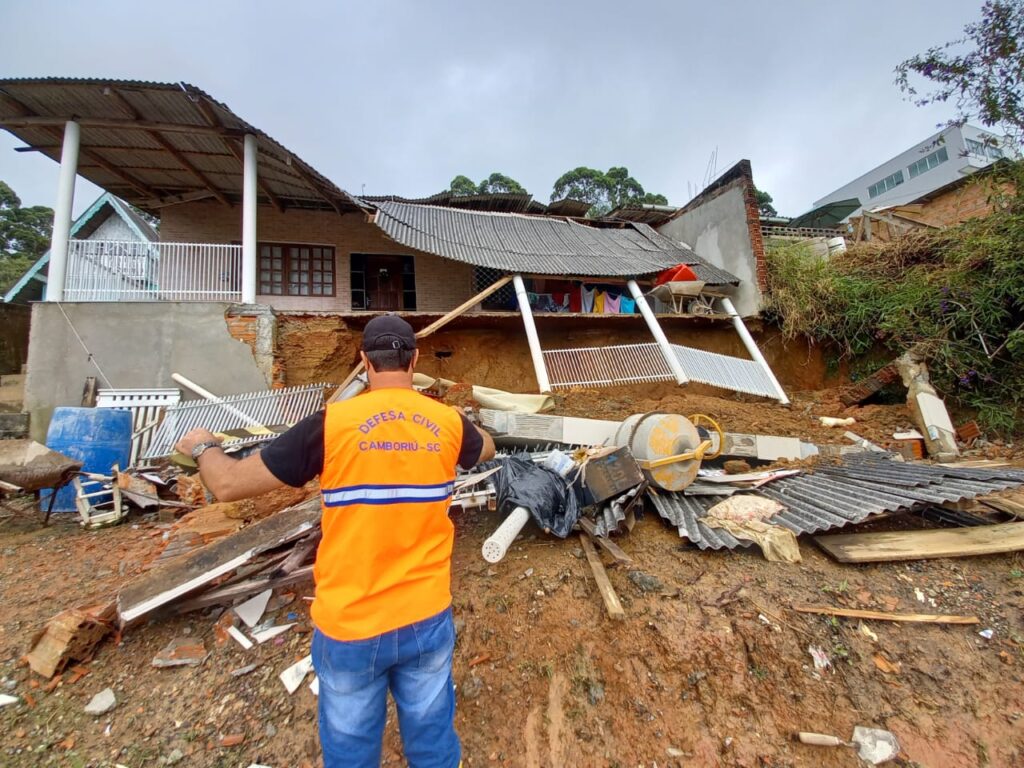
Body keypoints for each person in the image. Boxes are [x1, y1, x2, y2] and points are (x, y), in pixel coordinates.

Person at [176, 314, 496, 768]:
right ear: (415, 360)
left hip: (351, 624)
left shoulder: (330, 425)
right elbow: (486, 447)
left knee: (350, 752)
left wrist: (203, 446)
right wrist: (455, 422)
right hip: (426, 617)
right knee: (433, 744)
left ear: (364, 361)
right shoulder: (445, 423)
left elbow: (226, 484)